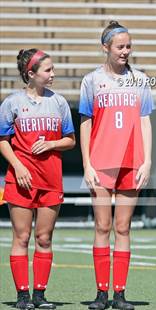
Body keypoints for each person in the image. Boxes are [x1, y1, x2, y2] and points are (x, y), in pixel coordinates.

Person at [79, 21, 153, 310]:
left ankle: (119, 294)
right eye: (120, 46)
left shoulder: (141, 80)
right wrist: (87, 163)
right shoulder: (91, 80)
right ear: (106, 48)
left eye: (128, 46)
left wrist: (146, 160)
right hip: (101, 162)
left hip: (131, 162)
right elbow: (86, 123)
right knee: (102, 225)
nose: (125, 51)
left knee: (123, 227)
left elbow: (145, 120)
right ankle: (101, 293)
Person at [0, 48, 75, 309]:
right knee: (21, 237)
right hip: (20, 179)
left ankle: (39, 295)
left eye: (53, 69)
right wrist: (18, 167)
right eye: (48, 70)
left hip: (51, 179)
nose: (53, 74)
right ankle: (22, 297)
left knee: (44, 238)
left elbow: (70, 140)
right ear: (30, 74)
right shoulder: (11, 103)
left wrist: (53, 145)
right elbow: (3, 142)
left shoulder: (59, 102)